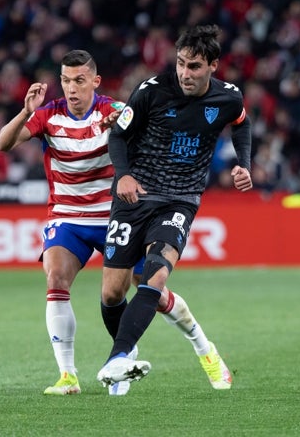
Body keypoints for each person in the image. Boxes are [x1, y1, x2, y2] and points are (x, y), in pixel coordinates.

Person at [96, 25, 253, 392]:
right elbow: (118, 134)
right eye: (181, 63)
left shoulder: (228, 98)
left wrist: (244, 163)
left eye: (194, 66)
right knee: (112, 293)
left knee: (154, 276)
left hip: (180, 199)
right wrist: (123, 176)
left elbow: (242, 124)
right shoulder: (152, 91)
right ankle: (203, 345)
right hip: (134, 197)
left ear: (213, 65)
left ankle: (118, 359)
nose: (185, 72)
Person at [0, 50, 135, 396]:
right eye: (65, 80)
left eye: (79, 80)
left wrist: (124, 122)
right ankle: (68, 376)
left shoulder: (110, 110)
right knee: (55, 277)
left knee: (122, 290)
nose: (71, 88)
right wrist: (26, 112)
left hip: (112, 215)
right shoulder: (48, 115)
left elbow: (140, 127)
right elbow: (3, 143)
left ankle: (125, 354)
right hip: (68, 217)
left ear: (95, 82)